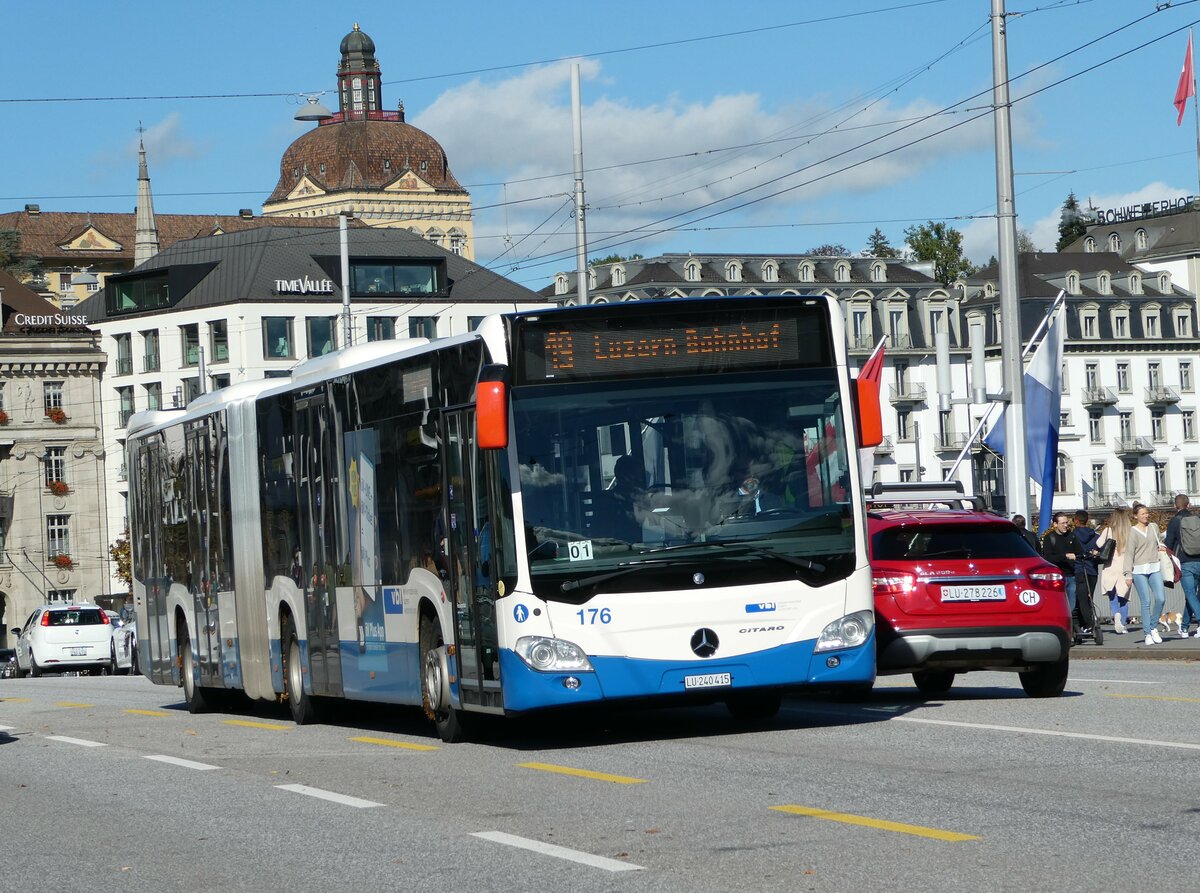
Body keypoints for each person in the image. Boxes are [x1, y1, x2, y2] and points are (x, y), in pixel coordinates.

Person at [1041, 512, 1093, 634]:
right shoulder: (1050, 538)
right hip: (1056, 576)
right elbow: (1047, 557)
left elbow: (1079, 551)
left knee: (1072, 602)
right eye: (1062, 523)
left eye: (1066, 523)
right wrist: (1065, 556)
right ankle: (1062, 627)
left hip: (1070, 574)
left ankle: (1073, 626)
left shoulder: (1072, 536)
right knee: (1058, 603)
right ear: (1055, 524)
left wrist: (1084, 555)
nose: (1065, 526)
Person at [1125, 502, 1168, 646]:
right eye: (1142, 514)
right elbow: (1129, 553)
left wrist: (1161, 546)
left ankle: (1153, 626)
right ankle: (1147, 633)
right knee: (1146, 602)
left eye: (1147, 513)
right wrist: (1128, 574)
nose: (1146, 516)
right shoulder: (1132, 531)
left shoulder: (1154, 527)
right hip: (1138, 570)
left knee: (1161, 598)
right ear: (1135, 516)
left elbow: (1159, 542)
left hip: (1154, 566)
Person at [1163, 493, 1200, 638]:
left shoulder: (1175, 521)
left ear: (1175, 506)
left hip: (1185, 562)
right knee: (1192, 597)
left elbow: (1168, 545)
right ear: (1189, 505)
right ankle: (1184, 627)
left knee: (1190, 594)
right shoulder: (1197, 519)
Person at [1096, 507, 1132, 634]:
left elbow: (1099, 544)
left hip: (1110, 566)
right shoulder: (1130, 531)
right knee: (1124, 598)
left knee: (1113, 597)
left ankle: (1116, 614)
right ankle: (1122, 624)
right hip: (1125, 568)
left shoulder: (1108, 531)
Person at [1073, 509, 1101, 628]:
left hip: (1079, 568)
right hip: (1092, 570)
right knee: (1089, 598)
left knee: (1081, 599)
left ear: (1076, 521)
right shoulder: (1095, 536)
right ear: (1087, 520)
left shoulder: (1072, 536)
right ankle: (1088, 623)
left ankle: (1087, 624)